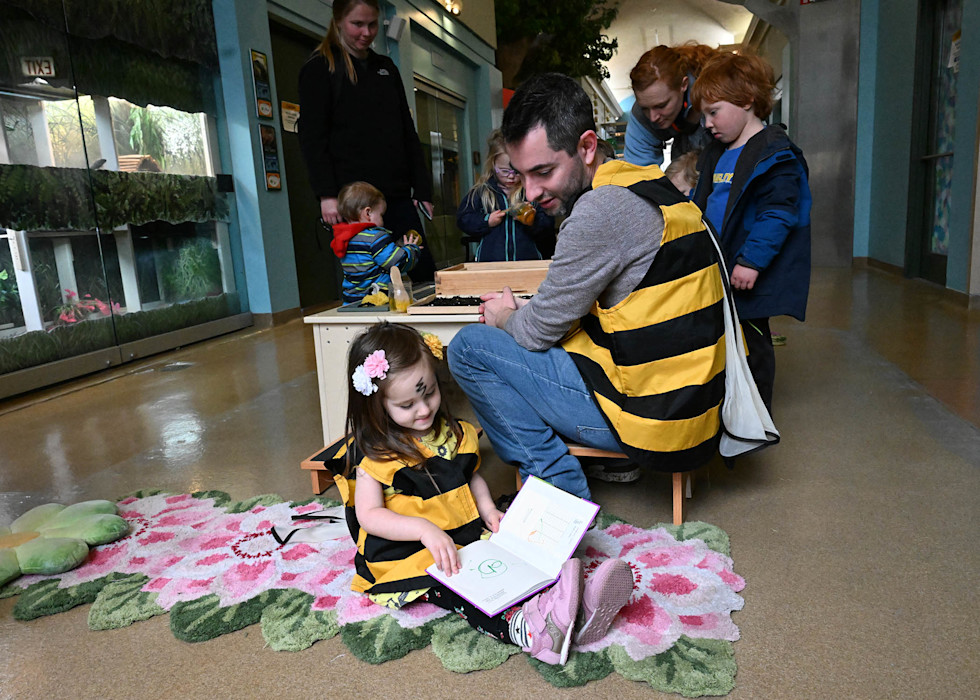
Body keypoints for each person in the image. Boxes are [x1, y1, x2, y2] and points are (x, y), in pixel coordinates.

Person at [447, 73, 730, 500]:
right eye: (523, 175)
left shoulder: (599, 210)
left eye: (544, 171)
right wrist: (534, 309)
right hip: (696, 409)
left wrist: (506, 315)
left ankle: (558, 489)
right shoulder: (647, 182)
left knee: (470, 347)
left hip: (652, 423)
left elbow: (536, 333)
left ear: (586, 146)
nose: (532, 191)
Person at [319, 322, 634, 666]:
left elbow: (470, 477)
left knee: (512, 562)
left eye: (430, 393)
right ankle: (530, 632)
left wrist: (487, 509)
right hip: (409, 553)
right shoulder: (375, 455)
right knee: (467, 592)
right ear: (377, 408)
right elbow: (369, 515)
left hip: (462, 534)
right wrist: (424, 530)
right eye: (407, 405)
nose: (424, 410)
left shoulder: (448, 433)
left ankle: (577, 609)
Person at [691, 51, 811, 412]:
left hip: (747, 271)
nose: (707, 123)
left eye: (714, 112)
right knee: (720, 336)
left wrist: (752, 261)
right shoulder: (718, 152)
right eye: (704, 115)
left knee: (753, 340)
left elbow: (778, 214)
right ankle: (725, 401)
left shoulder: (774, 154)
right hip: (718, 264)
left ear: (745, 102)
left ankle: (755, 413)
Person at [298, 0, 437, 282]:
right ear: (338, 21)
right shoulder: (319, 68)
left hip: (396, 196)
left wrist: (422, 189)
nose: (366, 32)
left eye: (372, 24)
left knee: (422, 268)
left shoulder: (386, 68)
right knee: (368, 279)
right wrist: (326, 194)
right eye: (357, 24)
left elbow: (407, 131)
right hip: (353, 199)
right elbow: (312, 137)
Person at [456, 129, 556, 261]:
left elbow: (548, 225)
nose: (511, 176)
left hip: (527, 263)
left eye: (516, 171)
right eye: (504, 171)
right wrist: (487, 221)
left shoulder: (532, 192)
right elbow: (463, 219)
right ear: (493, 165)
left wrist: (532, 221)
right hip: (490, 265)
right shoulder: (482, 192)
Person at [624, 44, 718, 167]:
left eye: (661, 106)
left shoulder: (715, 92)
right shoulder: (641, 116)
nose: (652, 117)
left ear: (684, 85)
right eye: (645, 108)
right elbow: (638, 172)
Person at [331, 181, 422, 304]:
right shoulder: (375, 237)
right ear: (368, 213)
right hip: (377, 299)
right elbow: (396, 263)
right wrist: (411, 249)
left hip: (351, 301)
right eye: (381, 215)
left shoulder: (343, 239)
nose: (383, 220)